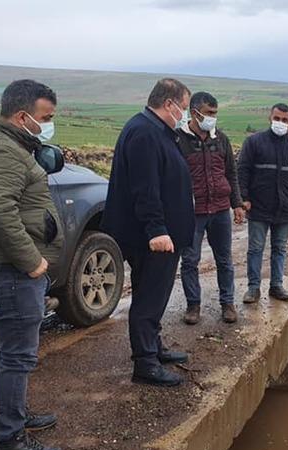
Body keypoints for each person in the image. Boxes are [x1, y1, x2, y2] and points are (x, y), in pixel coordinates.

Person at [0, 79, 64, 450]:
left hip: (9, 271)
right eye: (46, 118)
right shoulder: (3, 151)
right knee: (18, 355)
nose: (49, 124)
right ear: (23, 116)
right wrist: (31, 261)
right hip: (10, 272)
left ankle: (16, 415)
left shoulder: (7, 143)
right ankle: (8, 441)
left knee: (14, 352)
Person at [101, 79, 195, 387]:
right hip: (153, 238)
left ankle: (154, 348)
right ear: (169, 104)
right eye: (183, 106)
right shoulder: (144, 133)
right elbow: (145, 189)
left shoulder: (158, 131)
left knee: (153, 294)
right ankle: (145, 364)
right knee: (148, 300)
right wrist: (157, 229)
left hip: (164, 235)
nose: (185, 114)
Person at [177, 92, 245, 325]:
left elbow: (231, 173)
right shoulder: (179, 140)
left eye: (215, 113)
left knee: (224, 259)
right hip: (192, 212)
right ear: (194, 112)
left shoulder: (221, 139)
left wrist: (237, 204)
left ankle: (227, 303)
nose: (212, 118)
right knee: (190, 260)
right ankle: (193, 306)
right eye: (209, 113)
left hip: (219, 210)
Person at [237, 103, 288, 304]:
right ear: (270, 118)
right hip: (259, 208)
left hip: (285, 209)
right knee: (255, 248)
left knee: (280, 248)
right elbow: (242, 171)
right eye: (277, 118)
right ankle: (253, 288)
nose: (280, 123)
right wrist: (244, 198)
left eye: (284, 120)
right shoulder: (254, 142)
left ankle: (276, 286)